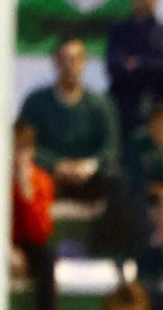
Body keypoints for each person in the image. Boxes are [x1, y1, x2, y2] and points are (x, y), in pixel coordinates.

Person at [19, 40, 123, 216]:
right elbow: (25, 146)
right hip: (49, 179)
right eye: (63, 59)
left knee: (119, 181)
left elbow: (111, 148)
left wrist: (90, 165)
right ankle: (31, 241)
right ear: (54, 61)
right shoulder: (36, 102)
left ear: (84, 62)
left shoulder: (101, 105)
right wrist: (56, 165)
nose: (69, 65)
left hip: (90, 180)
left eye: (74, 59)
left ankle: (107, 243)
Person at [104, 0, 163, 148]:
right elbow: (116, 70)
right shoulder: (118, 31)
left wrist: (139, 66)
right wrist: (158, 67)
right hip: (127, 114)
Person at [12, 123, 58, 310]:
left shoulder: (40, 180)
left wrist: (26, 190)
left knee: (45, 256)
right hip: (7, 244)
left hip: (25, 244)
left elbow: (39, 232)